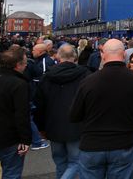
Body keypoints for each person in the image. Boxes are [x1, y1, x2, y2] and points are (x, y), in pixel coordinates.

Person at [69, 38, 133, 179]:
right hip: (123, 143)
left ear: (103, 55)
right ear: (124, 55)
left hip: (92, 144)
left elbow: (74, 115)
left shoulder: (88, 82)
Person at [34, 44, 92, 179]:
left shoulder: (47, 77)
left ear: (58, 56)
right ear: (75, 56)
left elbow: (39, 105)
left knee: (60, 162)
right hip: (76, 125)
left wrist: (41, 128)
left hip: (53, 125)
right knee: (76, 162)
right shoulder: (85, 75)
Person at [0, 46, 31, 179]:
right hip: (10, 139)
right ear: (17, 65)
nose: (26, 66)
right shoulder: (19, 84)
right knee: (11, 174)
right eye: (25, 63)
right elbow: (22, 115)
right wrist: (26, 140)